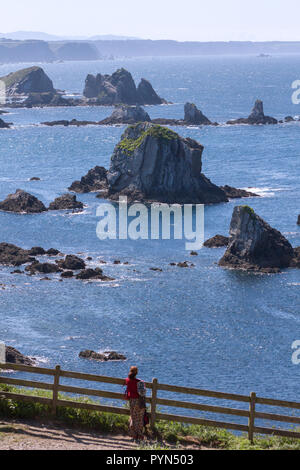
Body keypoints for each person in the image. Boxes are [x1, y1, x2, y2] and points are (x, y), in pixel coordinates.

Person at [124, 366, 146, 441]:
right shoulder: (140, 382)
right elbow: (143, 392)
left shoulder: (127, 380)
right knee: (139, 418)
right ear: (137, 373)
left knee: (133, 417)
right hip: (139, 401)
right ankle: (139, 434)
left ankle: (133, 434)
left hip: (131, 401)